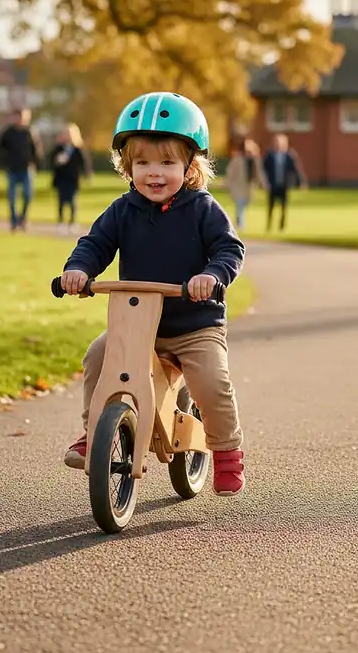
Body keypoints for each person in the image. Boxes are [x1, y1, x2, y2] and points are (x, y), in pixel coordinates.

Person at [59, 92, 247, 496]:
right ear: (128, 167)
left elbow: (230, 250)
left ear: (190, 165)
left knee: (212, 382)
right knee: (97, 356)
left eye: (167, 163)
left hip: (196, 324)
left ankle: (227, 450)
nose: (154, 173)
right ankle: (95, 434)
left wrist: (211, 276)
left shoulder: (203, 209)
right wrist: (78, 270)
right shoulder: (122, 210)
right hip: (140, 326)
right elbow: (95, 244)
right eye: (142, 163)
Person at [0, 108, 44, 232]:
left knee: (27, 195)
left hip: (26, 169)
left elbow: (36, 149)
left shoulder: (29, 132)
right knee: (12, 198)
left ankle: (23, 219)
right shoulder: (8, 133)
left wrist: (37, 164)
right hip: (12, 169)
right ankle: (14, 221)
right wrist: (4, 162)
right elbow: (0, 148)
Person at [260, 133, 308, 232]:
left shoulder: (289, 155)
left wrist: (301, 182)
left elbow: (296, 169)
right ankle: (269, 225)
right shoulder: (270, 155)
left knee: (283, 206)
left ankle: (282, 225)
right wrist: (264, 182)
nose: (278, 144)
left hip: (284, 185)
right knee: (271, 206)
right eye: (276, 142)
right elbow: (263, 169)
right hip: (272, 185)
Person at [50, 122, 91, 235]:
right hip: (61, 179)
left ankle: (72, 223)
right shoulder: (58, 148)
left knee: (72, 202)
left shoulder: (77, 149)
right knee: (61, 201)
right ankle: (61, 223)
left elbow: (84, 163)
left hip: (73, 180)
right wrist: (58, 160)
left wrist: (87, 174)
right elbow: (51, 161)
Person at [225, 138, 264, 231]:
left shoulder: (254, 160)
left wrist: (263, 183)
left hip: (248, 188)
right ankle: (240, 224)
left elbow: (259, 173)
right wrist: (228, 183)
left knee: (243, 204)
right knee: (240, 205)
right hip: (238, 187)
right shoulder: (237, 159)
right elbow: (230, 172)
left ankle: (238, 222)